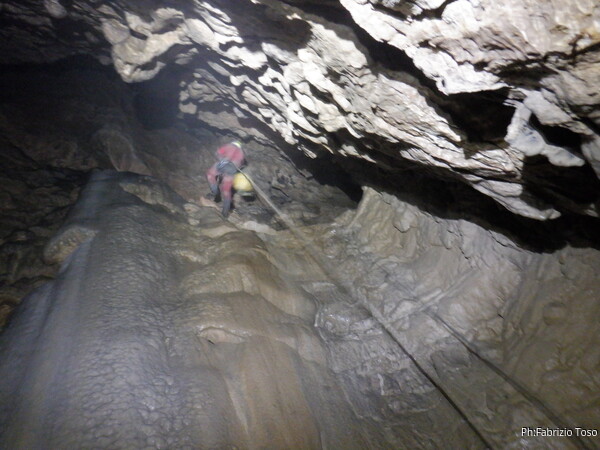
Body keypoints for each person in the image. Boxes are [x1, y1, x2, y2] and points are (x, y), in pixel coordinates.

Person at [206, 141, 246, 217]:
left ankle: (215, 193)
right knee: (226, 191)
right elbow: (241, 165)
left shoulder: (229, 146)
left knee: (210, 175)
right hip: (232, 170)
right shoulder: (241, 153)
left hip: (223, 165)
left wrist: (221, 158)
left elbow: (218, 153)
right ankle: (225, 213)